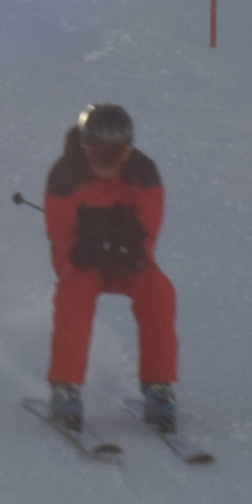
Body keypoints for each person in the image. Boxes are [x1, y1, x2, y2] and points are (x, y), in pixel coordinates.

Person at [42, 104, 179, 433]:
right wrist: (84, 249)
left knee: (158, 291)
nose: (109, 164)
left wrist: (132, 249)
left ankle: (159, 386)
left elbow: (149, 229)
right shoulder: (65, 176)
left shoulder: (143, 174)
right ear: (84, 149)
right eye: (99, 154)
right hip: (81, 261)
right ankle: (65, 386)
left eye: (117, 155)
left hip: (126, 260)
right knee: (75, 293)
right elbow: (60, 236)